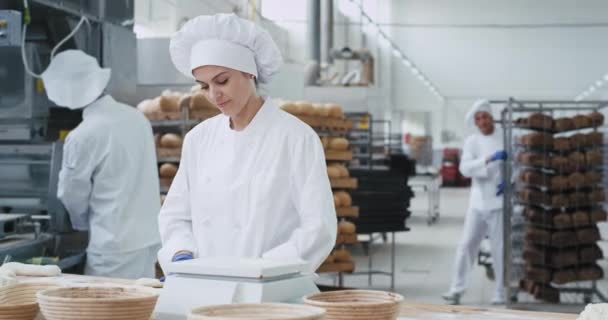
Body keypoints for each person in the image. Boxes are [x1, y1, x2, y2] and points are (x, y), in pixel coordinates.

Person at [157, 13, 337, 273]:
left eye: (222, 81)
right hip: (206, 284)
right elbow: (176, 215)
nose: (214, 94)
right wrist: (181, 254)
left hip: (270, 291)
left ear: (249, 73)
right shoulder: (199, 139)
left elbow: (317, 228)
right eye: (204, 86)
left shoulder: (296, 138)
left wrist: (263, 270)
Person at [42, 50, 161, 279]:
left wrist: (80, 224)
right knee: (141, 308)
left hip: (113, 247)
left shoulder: (83, 136)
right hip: (148, 239)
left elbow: (70, 194)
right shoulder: (137, 118)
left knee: (106, 311)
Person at [442, 99, 506, 305]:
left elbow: (518, 163)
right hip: (477, 202)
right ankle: (456, 289)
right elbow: (464, 169)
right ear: (475, 122)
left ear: (492, 117)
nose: (483, 121)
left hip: (499, 201)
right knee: (467, 244)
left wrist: (510, 181)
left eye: (485, 116)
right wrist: (488, 160)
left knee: (499, 248)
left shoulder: (505, 136)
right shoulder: (472, 141)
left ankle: (500, 292)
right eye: (478, 118)